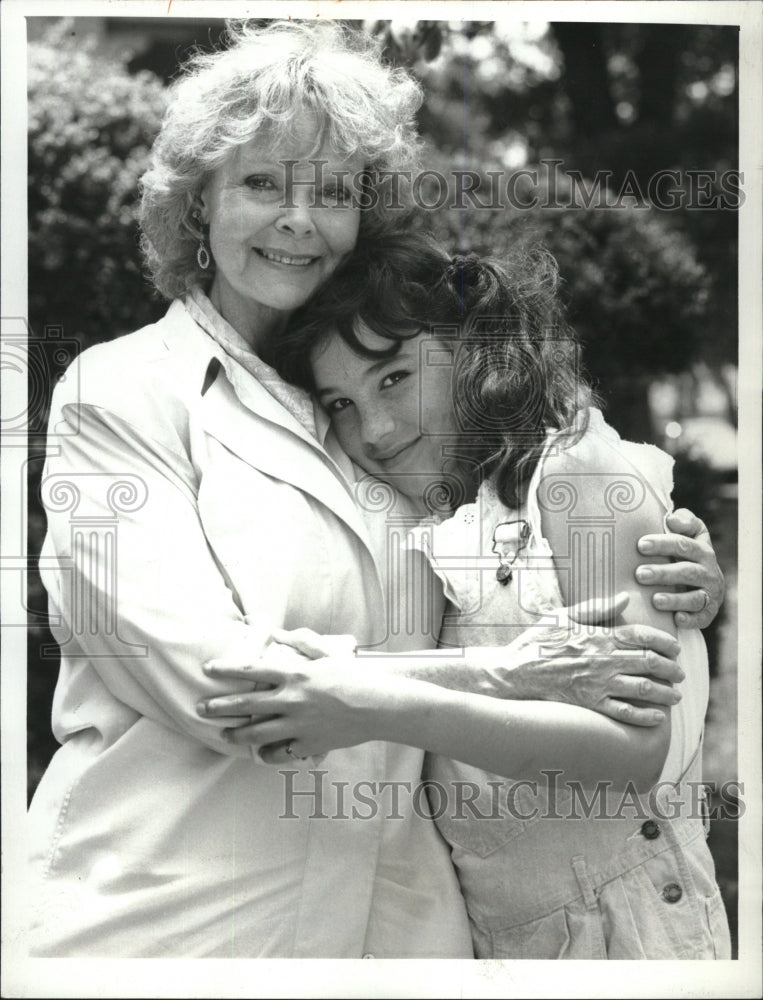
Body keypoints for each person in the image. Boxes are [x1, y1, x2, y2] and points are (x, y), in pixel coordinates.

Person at [28, 21, 723, 959]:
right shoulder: (121, 391)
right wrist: (503, 677)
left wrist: (671, 569)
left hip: (404, 931)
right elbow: (221, 685)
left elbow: (539, 536)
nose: (298, 219)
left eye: (332, 192)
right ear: (197, 205)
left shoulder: (373, 396)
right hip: (172, 922)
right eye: (262, 184)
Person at [199, 232, 731, 959]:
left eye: (392, 378)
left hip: (630, 932)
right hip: (497, 945)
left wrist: (359, 701)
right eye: (341, 404)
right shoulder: (431, 526)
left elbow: (631, 753)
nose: (374, 431)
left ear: (471, 349)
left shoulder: (575, 474)